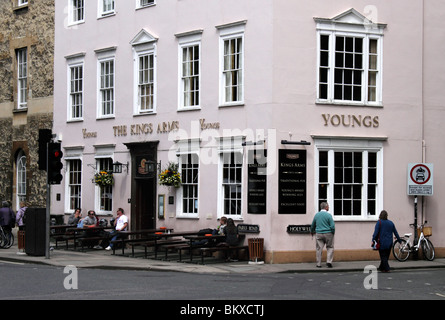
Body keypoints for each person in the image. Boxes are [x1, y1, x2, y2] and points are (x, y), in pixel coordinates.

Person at [310, 202, 335, 268]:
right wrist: (333, 232)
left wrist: (312, 231)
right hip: (328, 233)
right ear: (326, 207)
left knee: (319, 248)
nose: (329, 207)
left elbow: (313, 225)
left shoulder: (317, 215)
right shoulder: (328, 215)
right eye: (328, 206)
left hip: (319, 233)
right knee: (330, 247)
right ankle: (329, 262)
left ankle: (318, 264)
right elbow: (332, 226)